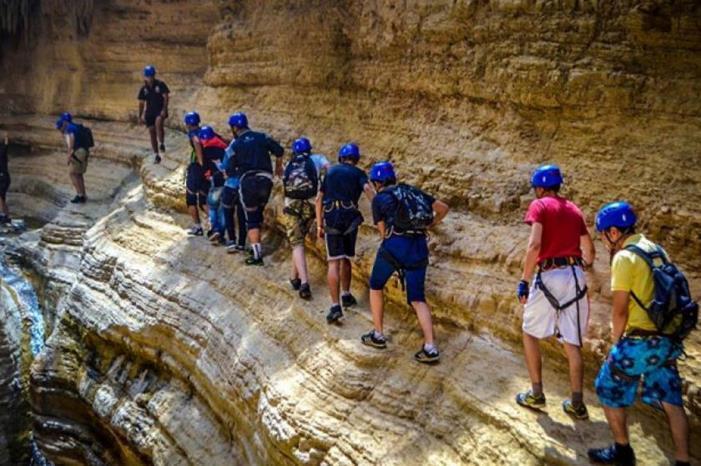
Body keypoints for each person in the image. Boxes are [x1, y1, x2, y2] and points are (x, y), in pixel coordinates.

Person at [588, 201, 690, 466]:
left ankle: (622, 451)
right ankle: (682, 460)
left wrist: (614, 342)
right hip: (667, 340)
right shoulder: (656, 249)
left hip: (639, 341)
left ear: (613, 232)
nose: (604, 241)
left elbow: (620, 309)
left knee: (605, 386)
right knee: (671, 399)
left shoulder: (624, 257)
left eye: (603, 235)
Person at [515, 164, 595, 420]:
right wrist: (582, 266)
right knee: (572, 342)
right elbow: (590, 252)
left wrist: (525, 280)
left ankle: (537, 393)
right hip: (575, 276)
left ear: (539, 187)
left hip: (549, 275)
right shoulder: (574, 209)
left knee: (529, 332)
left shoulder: (540, 206)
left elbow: (535, 244)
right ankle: (577, 403)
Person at [361, 161, 449, 363]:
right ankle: (430, 347)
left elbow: (383, 233)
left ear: (376, 182)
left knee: (375, 286)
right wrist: (431, 224)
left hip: (394, 247)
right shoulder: (412, 191)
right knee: (418, 298)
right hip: (419, 247)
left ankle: (378, 334)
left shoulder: (380, 199)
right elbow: (443, 208)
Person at [315, 143, 374, 323]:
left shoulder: (331, 172)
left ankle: (335, 306)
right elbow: (368, 190)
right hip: (350, 218)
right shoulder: (359, 173)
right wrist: (380, 207)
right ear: (355, 159)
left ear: (341, 157)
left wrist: (319, 224)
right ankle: (346, 294)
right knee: (346, 257)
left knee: (333, 261)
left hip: (332, 216)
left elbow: (319, 199)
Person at [224, 112, 284, 265]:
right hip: (266, 180)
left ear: (235, 127)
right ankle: (255, 245)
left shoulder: (235, 145)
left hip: (248, 182)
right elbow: (279, 151)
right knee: (259, 213)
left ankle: (256, 255)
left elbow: (229, 170)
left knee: (252, 218)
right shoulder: (262, 137)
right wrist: (278, 169)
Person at [282, 137, 331, 300]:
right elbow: (329, 169)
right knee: (299, 240)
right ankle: (293, 277)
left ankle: (304, 283)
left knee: (296, 243)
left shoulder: (290, 163)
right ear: (309, 149)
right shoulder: (317, 159)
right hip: (310, 204)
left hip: (291, 204)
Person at [220, 114, 248, 254]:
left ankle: (231, 240)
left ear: (234, 127)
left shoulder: (233, 145)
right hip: (245, 185)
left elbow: (225, 166)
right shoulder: (251, 143)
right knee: (242, 215)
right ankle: (242, 243)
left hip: (231, 185)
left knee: (228, 212)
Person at [198, 125, 229, 243]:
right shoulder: (224, 148)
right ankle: (221, 233)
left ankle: (215, 229)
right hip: (228, 182)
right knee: (223, 209)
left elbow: (205, 168)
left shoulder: (205, 151)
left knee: (212, 206)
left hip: (216, 182)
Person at [55, 112, 92, 204]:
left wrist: (69, 155)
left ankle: (80, 195)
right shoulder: (76, 126)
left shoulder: (69, 129)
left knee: (72, 174)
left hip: (78, 152)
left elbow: (71, 142)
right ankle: (83, 195)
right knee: (79, 174)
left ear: (64, 122)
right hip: (84, 151)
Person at [137, 65, 170, 164]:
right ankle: (156, 154)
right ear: (145, 77)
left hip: (159, 110)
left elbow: (166, 97)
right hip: (149, 112)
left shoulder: (160, 85)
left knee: (158, 123)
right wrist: (140, 115)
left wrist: (164, 109)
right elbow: (141, 103)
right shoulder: (144, 89)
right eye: (148, 76)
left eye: (151, 76)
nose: (150, 78)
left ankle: (162, 143)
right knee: (152, 132)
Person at [183, 111, 207, 236]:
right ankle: (217, 226)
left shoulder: (193, 134)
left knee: (191, 199)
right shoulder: (205, 132)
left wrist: (201, 164)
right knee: (203, 201)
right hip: (208, 169)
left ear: (187, 124)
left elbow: (197, 147)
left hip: (197, 169)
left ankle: (198, 227)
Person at [0, 132, 10, 223]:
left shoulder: (1, 153)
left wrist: (6, 138)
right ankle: (6, 215)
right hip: (4, 177)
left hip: (3, 177)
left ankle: (3, 215)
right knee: (2, 197)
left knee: (1, 197)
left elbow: (5, 147)